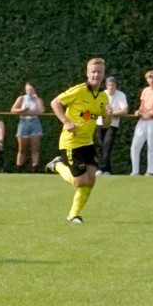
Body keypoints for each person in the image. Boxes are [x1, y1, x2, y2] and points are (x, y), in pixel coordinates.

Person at [47, 58, 109, 223]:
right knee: (80, 181)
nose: (96, 75)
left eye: (99, 72)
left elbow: (106, 125)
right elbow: (55, 103)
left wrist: (109, 115)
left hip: (87, 143)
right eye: (93, 72)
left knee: (91, 180)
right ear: (87, 73)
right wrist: (67, 122)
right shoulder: (79, 90)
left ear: (103, 74)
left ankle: (73, 215)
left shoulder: (103, 97)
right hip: (71, 142)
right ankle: (57, 165)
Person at [129, 70, 153, 176]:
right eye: (150, 77)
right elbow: (142, 106)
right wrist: (138, 111)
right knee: (135, 146)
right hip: (142, 121)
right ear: (146, 79)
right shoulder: (145, 90)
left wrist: (152, 114)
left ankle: (150, 171)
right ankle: (135, 171)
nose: (152, 79)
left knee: (151, 146)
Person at [96, 76, 127, 175]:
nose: (111, 87)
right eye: (109, 85)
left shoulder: (121, 95)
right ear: (106, 85)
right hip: (100, 123)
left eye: (113, 85)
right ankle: (106, 170)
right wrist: (105, 113)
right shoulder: (101, 94)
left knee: (107, 146)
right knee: (101, 146)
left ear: (116, 85)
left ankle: (102, 168)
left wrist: (111, 113)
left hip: (113, 124)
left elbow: (125, 110)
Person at [10, 81, 44, 170]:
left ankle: (35, 167)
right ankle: (18, 167)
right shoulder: (21, 98)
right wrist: (23, 109)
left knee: (35, 147)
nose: (29, 91)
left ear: (34, 90)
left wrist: (37, 99)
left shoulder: (38, 99)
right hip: (23, 122)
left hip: (35, 122)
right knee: (22, 148)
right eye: (27, 89)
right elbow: (13, 110)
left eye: (31, 89)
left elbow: (41, 111)